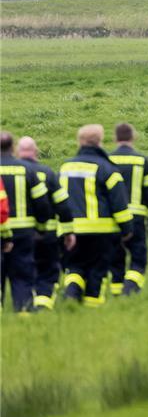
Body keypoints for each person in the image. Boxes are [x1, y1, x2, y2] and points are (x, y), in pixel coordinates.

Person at [1, 131, 57, 311]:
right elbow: (42, 204)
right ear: (13, 148)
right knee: (22, 276)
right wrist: (41, 228)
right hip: (24, 233)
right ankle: (24, 313)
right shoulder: (28, 170)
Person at [16, 136, 73, 309]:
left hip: (16, 234)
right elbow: (62, 204)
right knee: (47, 273)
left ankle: (25, 303)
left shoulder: (9, 173)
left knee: (22, 272)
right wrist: (69, 231)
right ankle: (43, 305)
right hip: (47, 234)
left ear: (18, 152)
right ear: (35, 151)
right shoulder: (47, 173)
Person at [108, 123, 148, 295]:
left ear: (115, 139)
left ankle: (116, 292)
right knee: (138, 259)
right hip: (136, 218)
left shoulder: (106, 161)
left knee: (116, 260)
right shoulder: (142, 161)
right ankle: (130, 289)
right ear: (133, 137)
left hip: (112, 219)